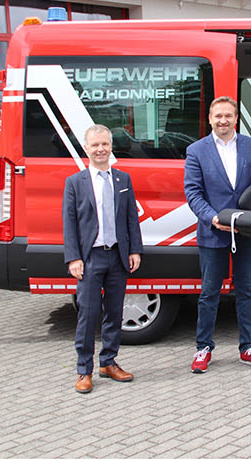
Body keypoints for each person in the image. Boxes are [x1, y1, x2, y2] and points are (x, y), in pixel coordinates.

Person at [183, 96, 251, 373]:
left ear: (236, 119)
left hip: (247, 232)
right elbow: (193, 193)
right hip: (213, 233)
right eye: (218, 116)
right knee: (209, 293)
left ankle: (248, 347)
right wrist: (212, 218)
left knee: (247, 291)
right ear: (210, 119)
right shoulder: (196, 151)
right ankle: (203, 348)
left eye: (228, 116)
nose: (223, 121)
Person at [63, 124, 143, 393]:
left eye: (105, 145)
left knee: (115, 312)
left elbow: (132, 217)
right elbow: (69, 223)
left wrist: (134, 250)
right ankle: (83, 370)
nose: (100, 149)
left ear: (111, 147)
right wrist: (73, 258)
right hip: (90, 258)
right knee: (88, 314)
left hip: (118, 257)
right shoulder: (75, 183)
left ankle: (108, 362)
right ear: (86, 149)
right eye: (95, 145)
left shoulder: (123, 180)